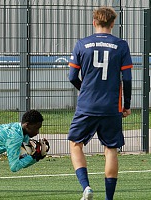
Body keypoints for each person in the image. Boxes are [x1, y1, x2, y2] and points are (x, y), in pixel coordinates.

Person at [68, 6, 132, 200]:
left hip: (87, 105)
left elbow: (72, 76)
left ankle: (86, 187)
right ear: (113, 24)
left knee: (75, 144)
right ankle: (109, 198)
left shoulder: (81, 44)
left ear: (94, 22)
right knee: (111, 149)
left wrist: (85, 90)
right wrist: (126, 104)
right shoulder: (121, 45)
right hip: (111, 106)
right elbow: (127, 79)